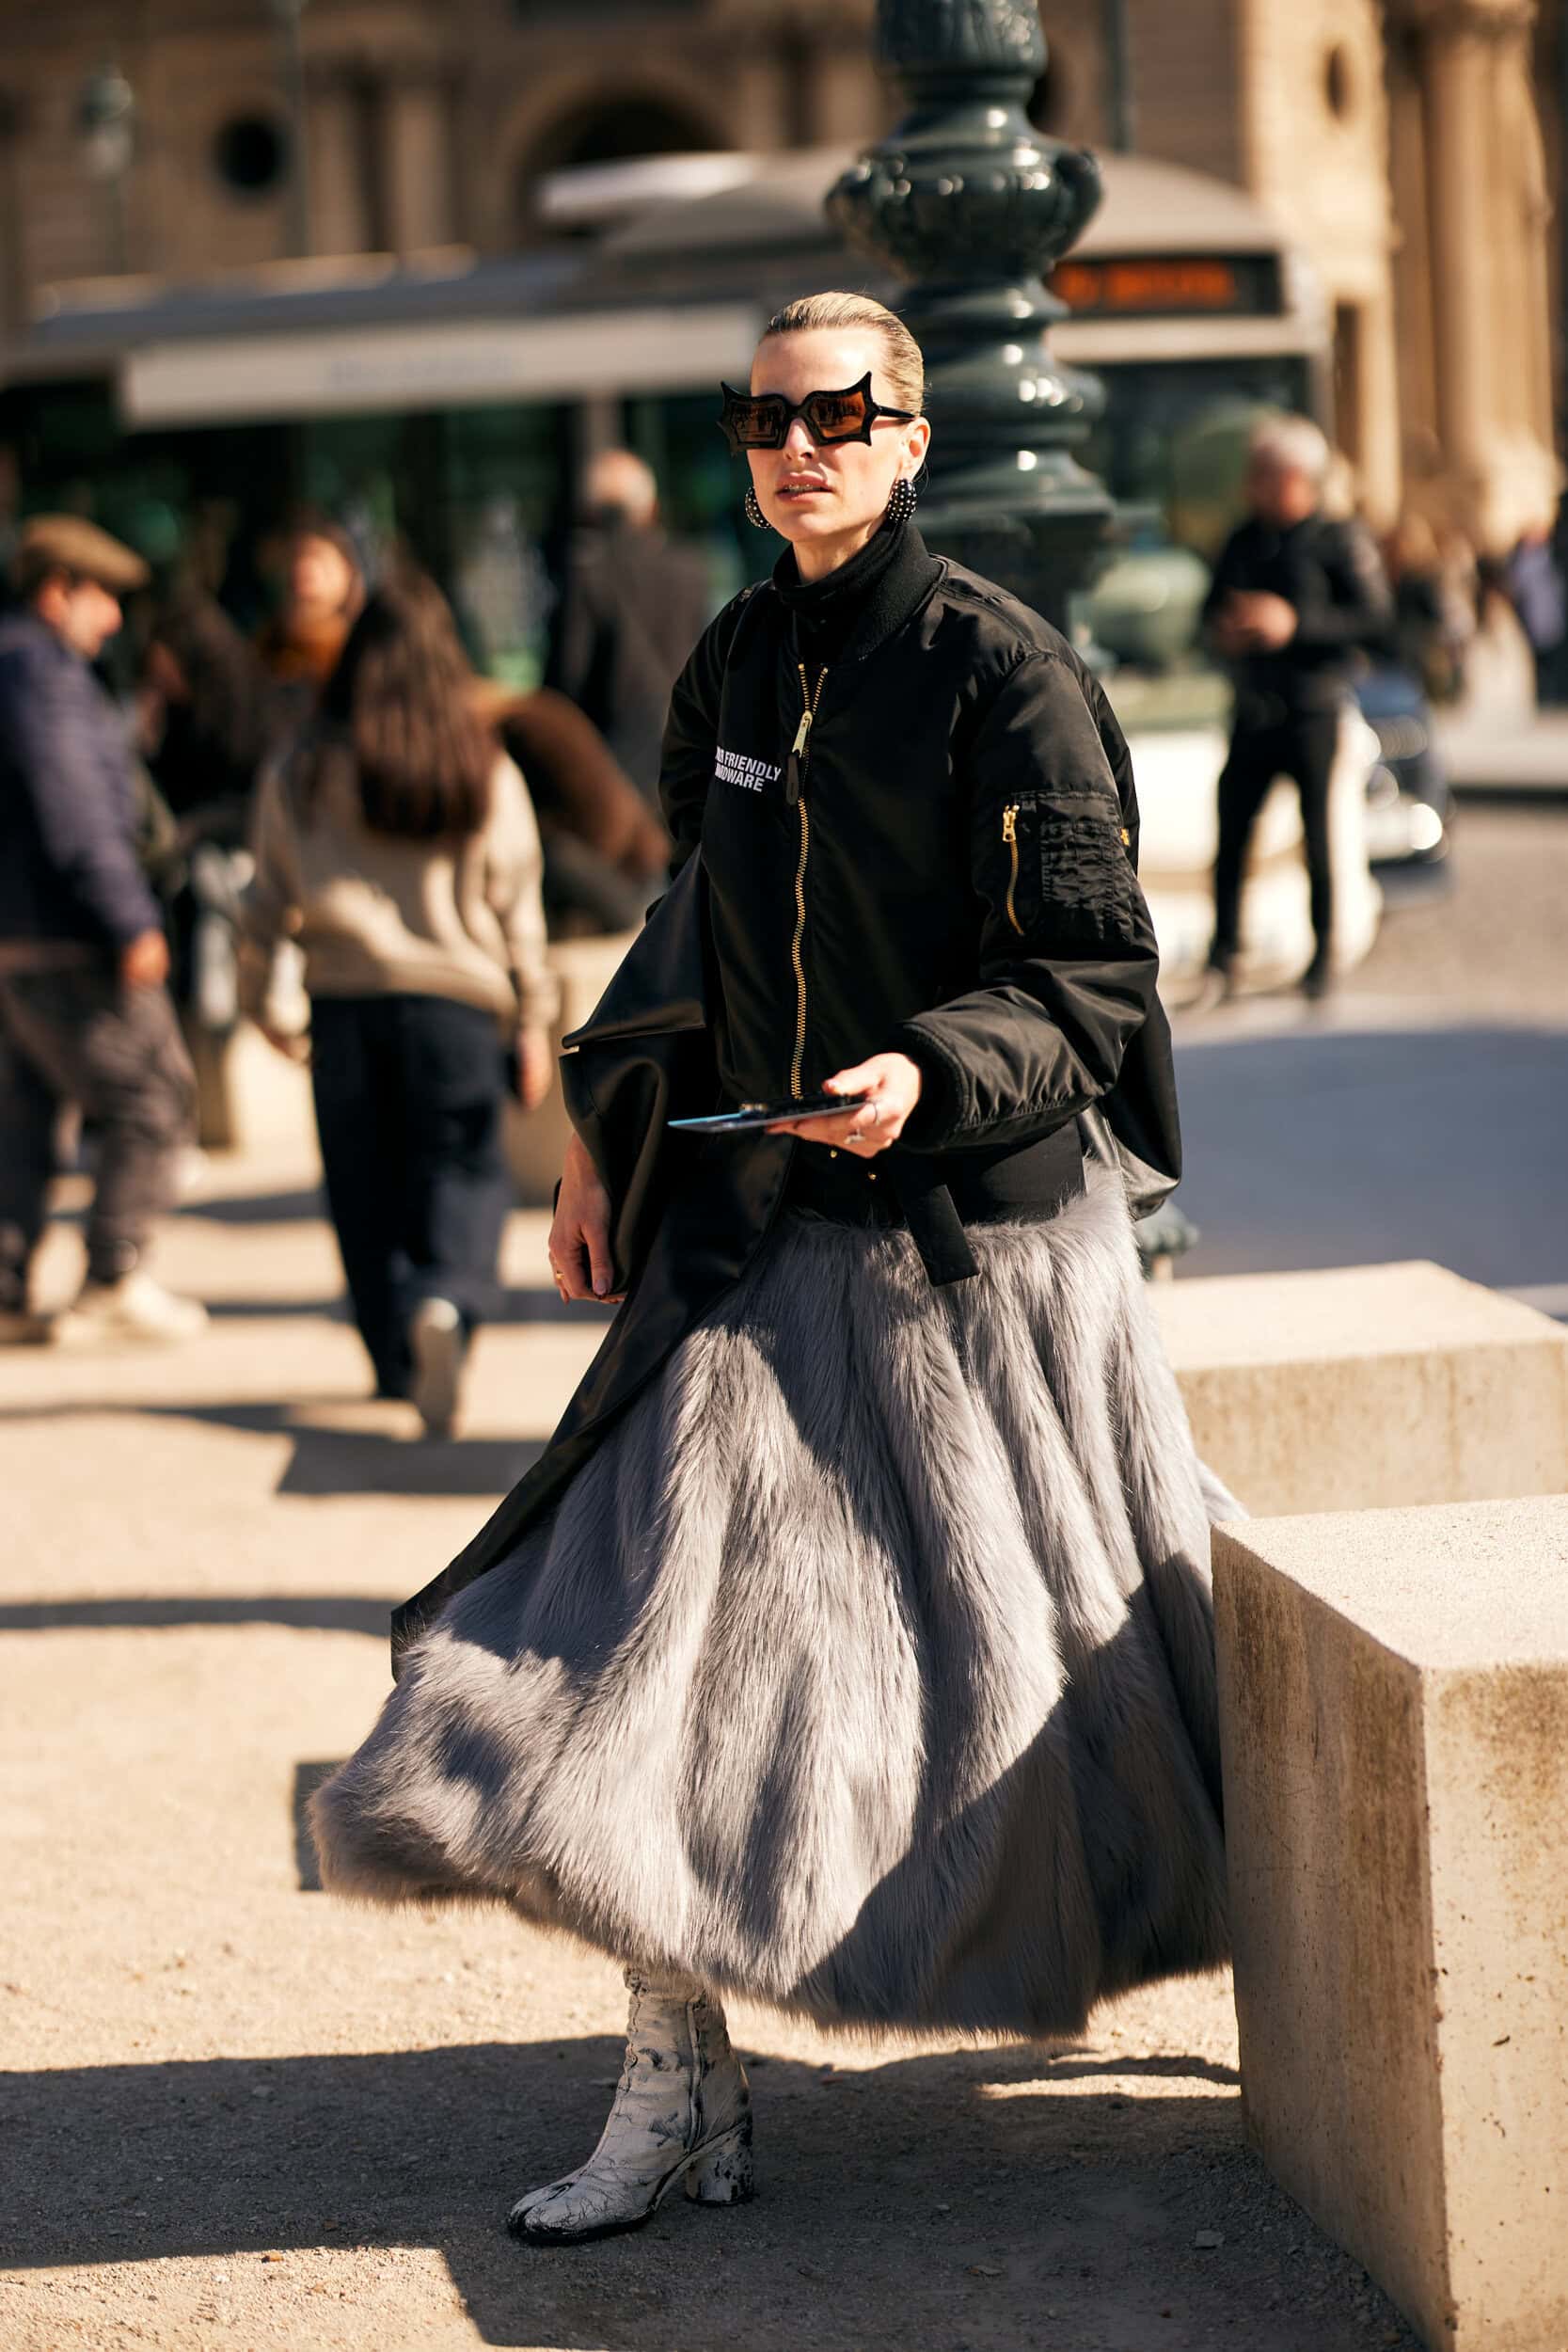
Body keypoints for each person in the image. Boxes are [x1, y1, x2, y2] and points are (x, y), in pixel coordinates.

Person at [311, 294, 1230, 2243]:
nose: (796, 443)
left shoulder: (1007, 668)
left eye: (837, 411)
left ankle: (1256, 2011)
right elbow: (692, 926)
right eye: (763, 415)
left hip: (964, 1265)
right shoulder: (733, 654)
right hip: (744, 1244)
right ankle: (674, 2076)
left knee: (1084, 1711)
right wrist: (596, 1137)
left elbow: (1092, 978)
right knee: (601, 1660)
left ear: (907, 437)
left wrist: (930, 1066)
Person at [239, 567, 560, 1437]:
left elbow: (264, 893)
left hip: (342, 1006)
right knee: (460, 1171)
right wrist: (532, 1016)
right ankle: (448, 1303)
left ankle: (392, 1358)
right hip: (457, 1008)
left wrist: (258, 997)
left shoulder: (301, 765)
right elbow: (515, 899)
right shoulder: (477, 762)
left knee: (363, 1188)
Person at [0, 516, 206, 1344]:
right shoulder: (44, 675)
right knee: (152, 1095)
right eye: (104, 599)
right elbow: (78, 813)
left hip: (17, 937)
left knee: (21, 1117)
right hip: (72, 934)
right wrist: (129, 919)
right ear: (59, 592)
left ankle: (9, 1288)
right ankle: (112, 1277)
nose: (115, 620)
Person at [1201, 416, 1392, 999]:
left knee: (1319, 838)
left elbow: (1375, 619)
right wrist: (1226, 629)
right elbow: (1208, 610)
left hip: (1312, 709)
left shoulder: (1339, 539)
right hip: (1253, 710)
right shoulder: (1243, 539)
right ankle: (1225, 953)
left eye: (1265, 475)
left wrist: (1295, 624)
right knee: (1232, 834)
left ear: (1298, 479)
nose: (1254, 486)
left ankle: (1322, 955)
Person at [546, 448, 713, 801]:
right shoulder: (690, 570)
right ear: (651, 508)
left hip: (611, 777)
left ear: (590, 512)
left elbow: (567, 681)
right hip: (689, 761)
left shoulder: (586, 578)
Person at [255, 512, 365, 722]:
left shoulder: (357, 652)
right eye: (296, 557)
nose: (303, 571)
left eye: (318, 558)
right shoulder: (264, 647)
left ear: (347, 571)